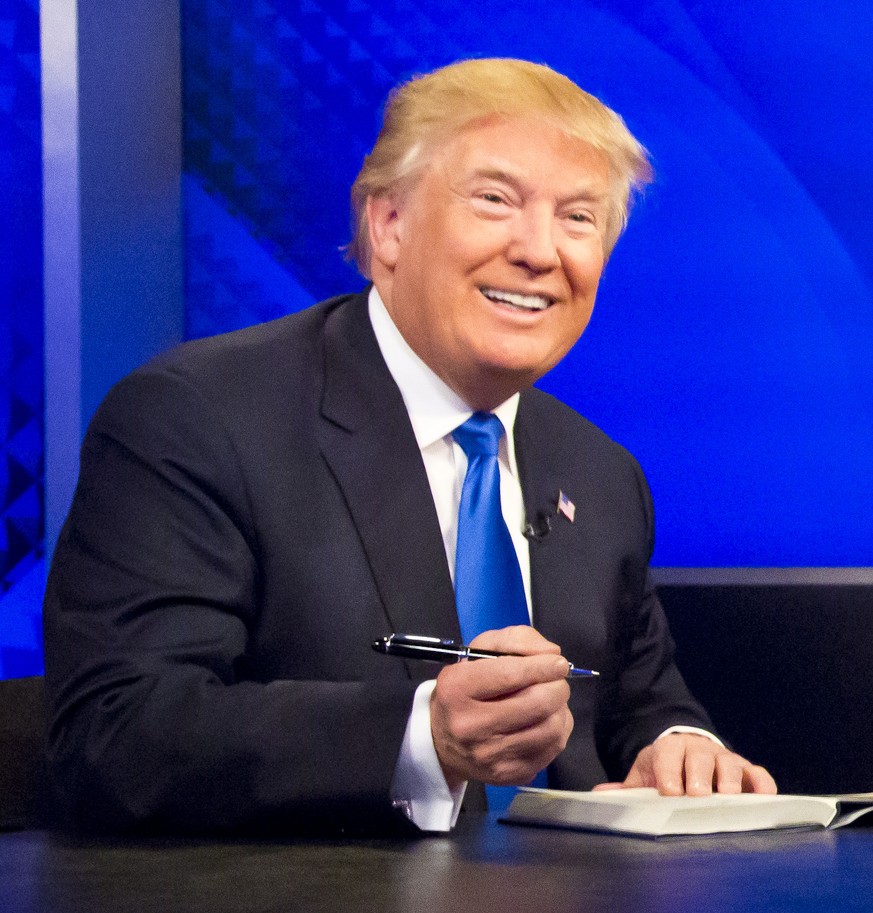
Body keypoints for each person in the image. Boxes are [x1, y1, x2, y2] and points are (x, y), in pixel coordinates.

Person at [43, 58, 775, 836]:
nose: (539, 250)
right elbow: (116, 731)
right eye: (494, 200)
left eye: (578, 218)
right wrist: (418, 734)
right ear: (387, 224)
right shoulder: (197, 418)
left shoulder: (598, 472)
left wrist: (680, 746)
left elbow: (634, 699)